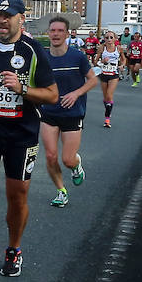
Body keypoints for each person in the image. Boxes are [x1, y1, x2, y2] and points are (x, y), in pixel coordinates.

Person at [0, 0, 58, 279]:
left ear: (21, 19)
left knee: (17, 197)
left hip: (22, 132)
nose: (2, 21)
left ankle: (14, 249)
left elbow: (52, 95)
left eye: (9, 16)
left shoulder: (33, 50)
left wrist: (22, 89)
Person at [36, 15, 97, 207]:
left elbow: (93, 80)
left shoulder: (77, 56)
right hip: (48, 112)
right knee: (50, 156)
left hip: (72, 113)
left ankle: (76, 166)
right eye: (53, 30)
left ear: (67, 34)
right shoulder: (42, 58)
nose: (56, 34)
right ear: (48, 33)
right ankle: (61, 191)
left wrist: (76, 94)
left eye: (60, 31)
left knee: (68, 160)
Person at [95, 32, 123, 127]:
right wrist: (102, 61)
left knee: (109, 95)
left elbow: (123, 59)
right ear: (104, 39)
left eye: (111, 37)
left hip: (114, 75)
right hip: (104, 74)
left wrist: (122, 65)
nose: (109, 39)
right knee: (105, 98)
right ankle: (108, 108)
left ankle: (107, 119)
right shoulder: (102, 48)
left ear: (115, 39)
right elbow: (95, 62)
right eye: (107, 37)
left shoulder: (118, 48)